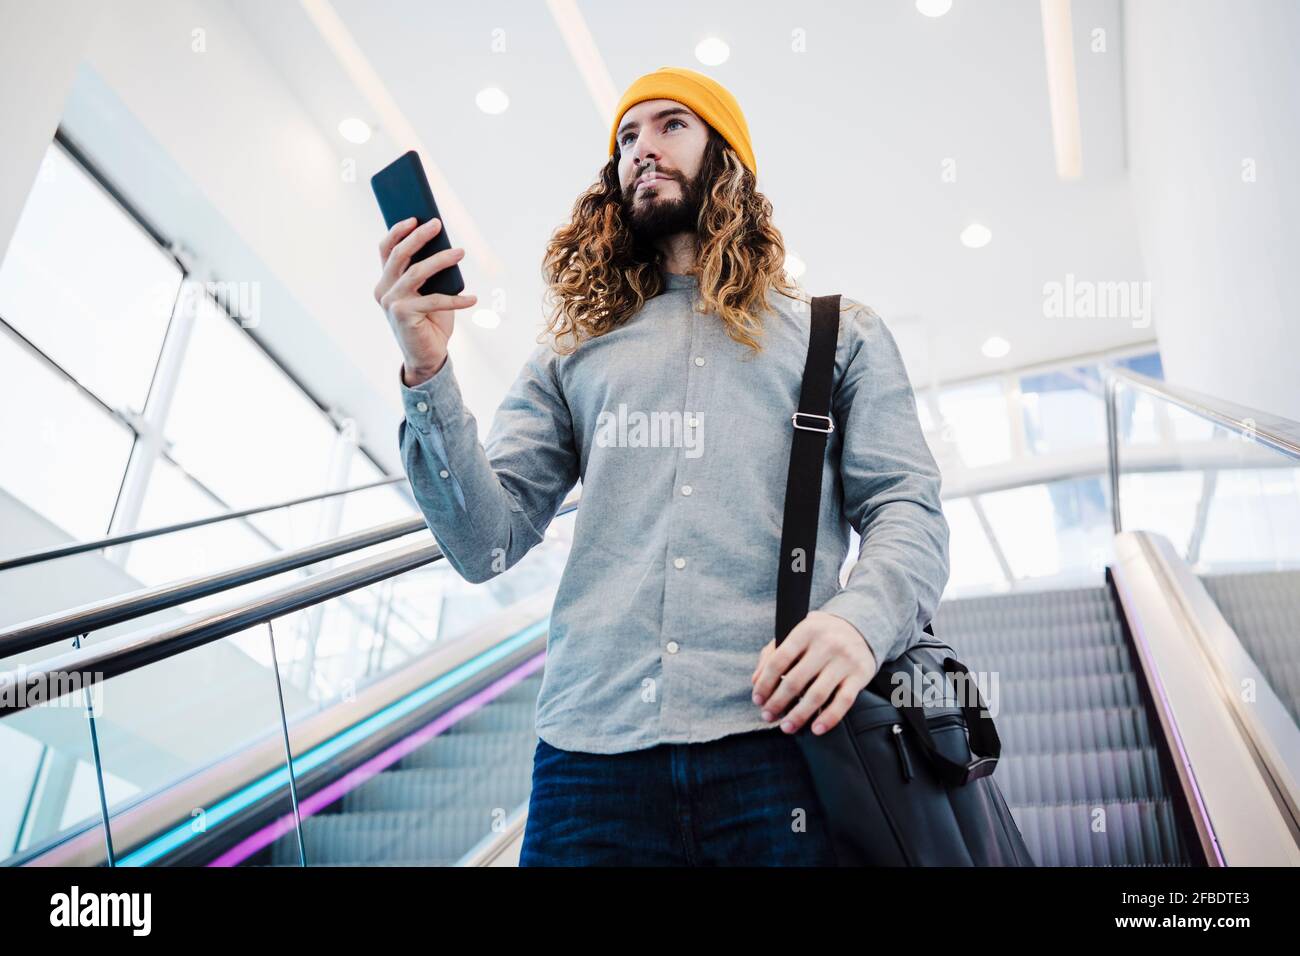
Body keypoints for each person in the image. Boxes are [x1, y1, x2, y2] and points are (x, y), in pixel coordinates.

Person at [372, 66, 950, 865]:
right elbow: (485, 544)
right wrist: (426, 370)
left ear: (730, 160)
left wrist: (860, 621)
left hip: (782, 745)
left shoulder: (837, 334)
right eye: (626, 138)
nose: (642, 148)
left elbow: (907, 507)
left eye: (671, 125)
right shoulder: (571, 353)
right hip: (588, 767)